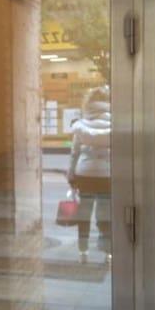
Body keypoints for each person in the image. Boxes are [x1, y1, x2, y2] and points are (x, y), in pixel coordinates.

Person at [67, 84, 111, 263]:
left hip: (84, 174)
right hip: (106, 175)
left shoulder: (80, 125)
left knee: (84, 213)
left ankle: (83, 251)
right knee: (105, 213)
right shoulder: (114, 124)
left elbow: (74, 153)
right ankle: (108, 252)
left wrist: (71, 176)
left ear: (88, 103)